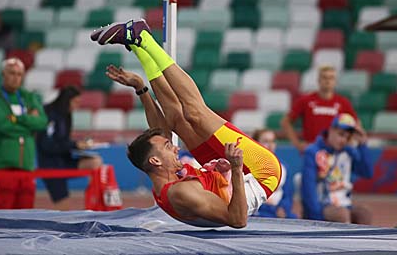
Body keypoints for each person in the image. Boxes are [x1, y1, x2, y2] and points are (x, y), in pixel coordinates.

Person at [91, 19, 282, 228]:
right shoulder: (180, 192)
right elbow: (238, 220)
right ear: (156, 161)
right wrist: (235, 169)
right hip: (261, 173)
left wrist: (141, 89)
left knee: (177, 119)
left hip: (222, 177)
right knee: (194, 114)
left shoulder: (164, 181)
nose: (175, 145)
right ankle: (143, 38)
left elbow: (161, 130)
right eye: (167, 146)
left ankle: (138, 45)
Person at [0, 58, 48, 210]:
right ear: (3, 74)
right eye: (11, 73)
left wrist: (18, 119)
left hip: (26, 168)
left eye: (19, 74)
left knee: (25, 221)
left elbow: (42, 122)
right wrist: (30, 124)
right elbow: (0, 125)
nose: (16, 77)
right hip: (1, 168)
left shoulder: (29, 96)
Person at [36, 86, 103, 210]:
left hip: (64, 160)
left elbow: (63, 141)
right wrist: (74, 145)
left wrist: (78, 144)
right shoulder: (49, 114)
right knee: (64, 209)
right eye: (76, 102)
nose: (78, 105)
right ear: (66, 100)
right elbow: (47, 145)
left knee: (95, 161)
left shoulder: (66, 115)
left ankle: (94, 198)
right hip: (51, 165)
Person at [301, 113, 373, 224]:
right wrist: (315, 217)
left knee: (364, 213)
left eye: (348, 137)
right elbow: (308, 189)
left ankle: (362, 241)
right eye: (341, 134)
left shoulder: (348, 152)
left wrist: (362, 144)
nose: (344, 140)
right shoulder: (313, 152)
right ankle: (346, 241)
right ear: (330, 130)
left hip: (344, 203)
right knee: (342, 214)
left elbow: (367, 172)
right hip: (322, 205)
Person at [281, 65, 358, 154]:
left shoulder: (343, 103)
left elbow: (355, 124)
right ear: (318, 80)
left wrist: (348, 142)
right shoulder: (306, 100)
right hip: (312, 151)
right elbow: (285, 122)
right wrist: (298, 144)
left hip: (336, 152)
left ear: (335, 81)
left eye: (331, 78)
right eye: (324, 77)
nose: (327, 81)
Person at [251, 129, 297, 219]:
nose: (270, 145)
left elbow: (288, 195)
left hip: (278, 213)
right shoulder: (248, 168)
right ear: (256, 144)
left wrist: (283, 208)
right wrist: (273, 210)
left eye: (273, 141)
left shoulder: (283, 167)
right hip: (257, 213)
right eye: (266, 141)